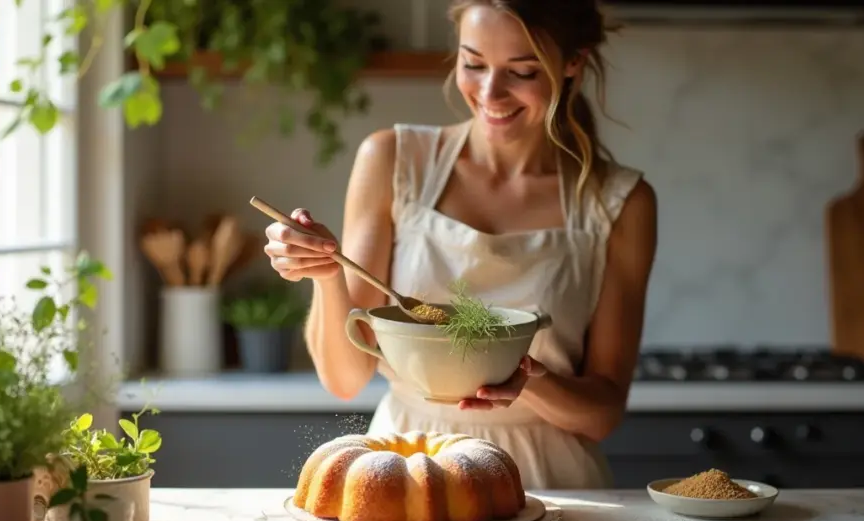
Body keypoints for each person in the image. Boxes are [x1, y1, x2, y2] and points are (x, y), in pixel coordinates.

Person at [263, 0, 657, 490]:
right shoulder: (392, 160)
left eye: (522, 71)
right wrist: (327, 277)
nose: (490, 92)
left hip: (550, 480)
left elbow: (601, 415)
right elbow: (345, 380)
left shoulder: (620, 201)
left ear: (572, 62)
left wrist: (528, 375)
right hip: (406, 464)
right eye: (473, 64)